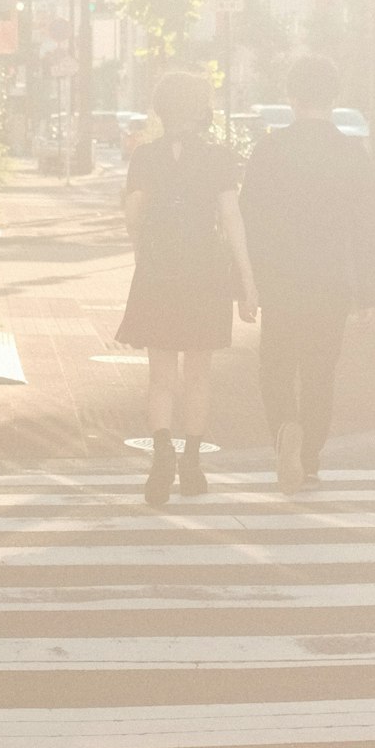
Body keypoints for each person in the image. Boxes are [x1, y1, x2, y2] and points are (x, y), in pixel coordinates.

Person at [117, 70, 258, 506]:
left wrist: (143, 249)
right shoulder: (219, 158)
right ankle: (192, 463)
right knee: (198, 375)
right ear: (201, 109)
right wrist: (247, 283)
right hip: (205, 274)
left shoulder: (145, 156)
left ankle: (161, 455)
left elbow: (134, 211)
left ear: (161, 110)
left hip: (158, 273)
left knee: (160, 376)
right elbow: (231, 218)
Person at [240, 54, 375, 493]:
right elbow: (367, 227)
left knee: (276, 365)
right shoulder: (351, 153)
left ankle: (284, 429)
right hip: (332, 279)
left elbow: (248, 219)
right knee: (321, 371)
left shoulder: (270, 150)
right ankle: (311, 455)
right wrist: (369, 293)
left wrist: (246, 284)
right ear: (334, 97)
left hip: (280, 279)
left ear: (291, 96)